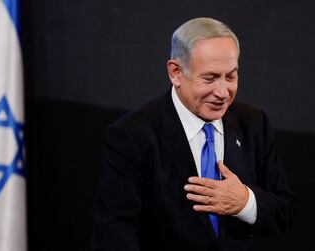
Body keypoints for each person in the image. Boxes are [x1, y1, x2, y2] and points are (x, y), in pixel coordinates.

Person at [92, 17, 295, 251]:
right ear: (176, 72)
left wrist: (245, 202)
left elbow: (284, 212)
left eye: (231, 76)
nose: (223, 92)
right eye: (210, 78)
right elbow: (115, 235)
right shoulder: (131, 136)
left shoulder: (253, 124)